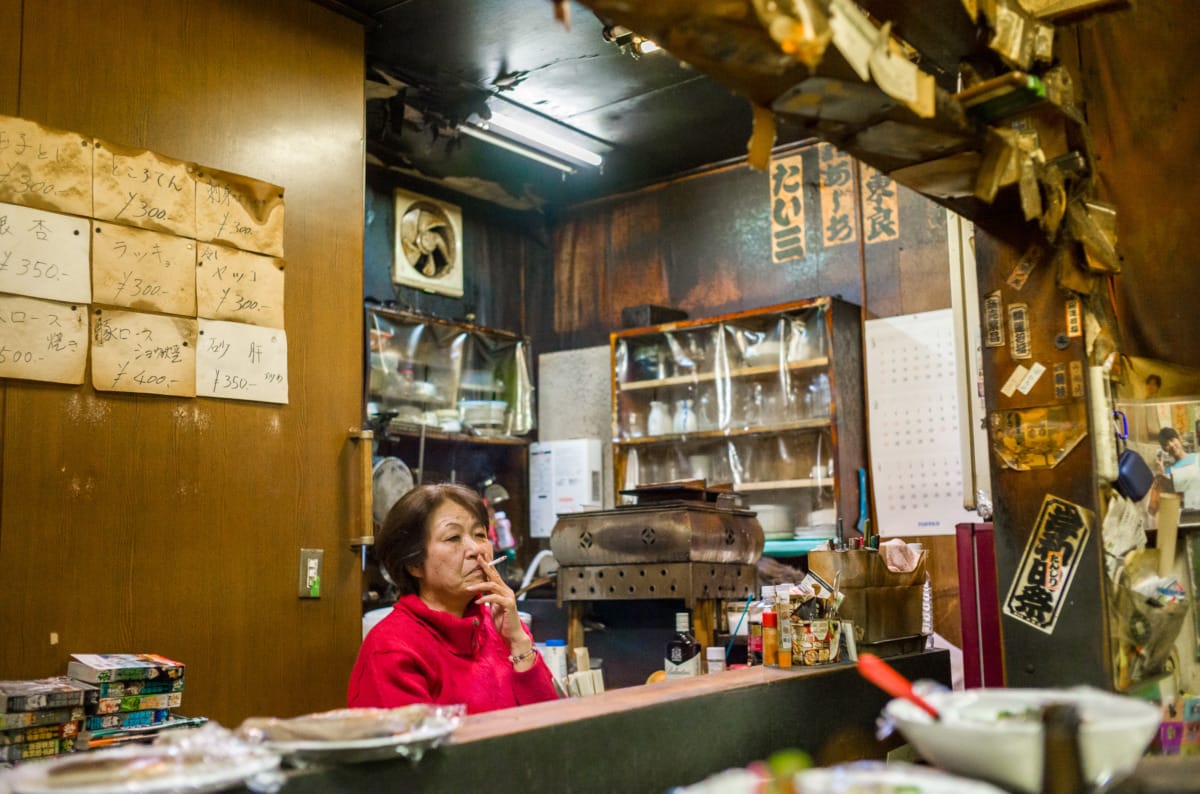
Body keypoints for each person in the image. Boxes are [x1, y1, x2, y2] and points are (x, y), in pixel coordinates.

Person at [348, 483, 558, 713]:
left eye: (480, 534)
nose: (475, 549)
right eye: (453, 538)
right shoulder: (392, 649)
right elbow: (415, 746)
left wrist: (519, 641)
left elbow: (553, 728)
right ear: (414, 563)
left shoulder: (502, 626)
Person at [1155, 427, 1200, 511]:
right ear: (1165, 449)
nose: (1171, 445)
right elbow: (1169, 498)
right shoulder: (1168, 471)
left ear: (1179, 439)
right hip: (1186, 516)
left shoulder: (1198, 458)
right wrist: (1162, 474)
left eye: (1172, 440)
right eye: (1166, 444)